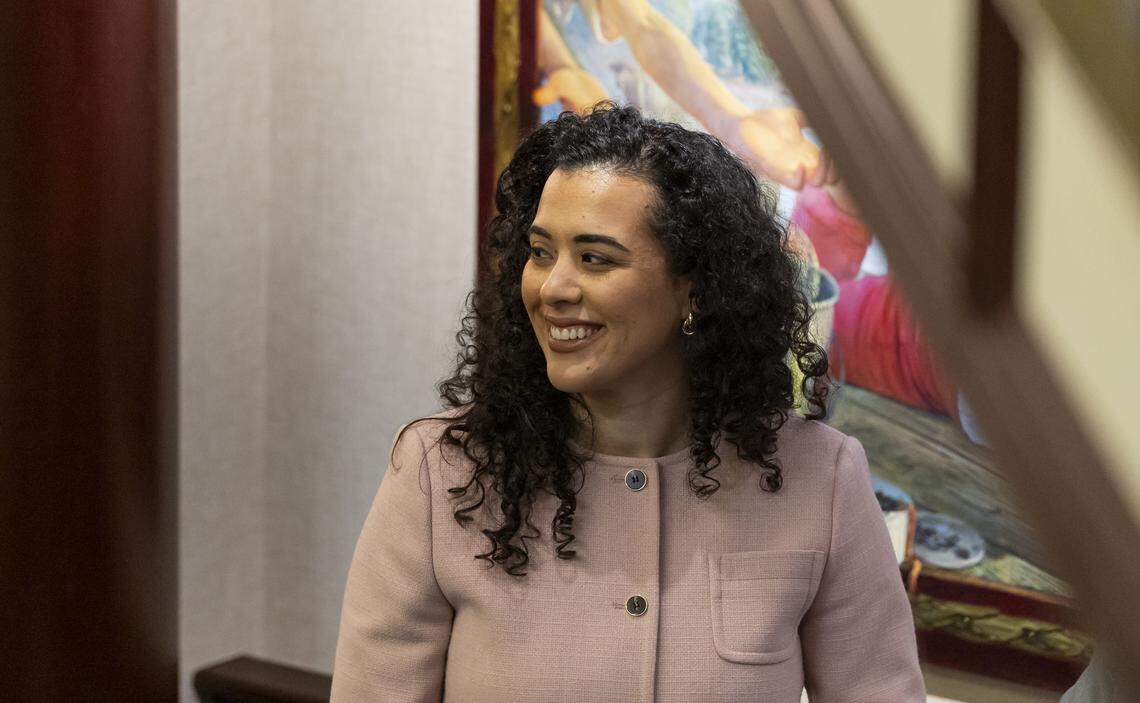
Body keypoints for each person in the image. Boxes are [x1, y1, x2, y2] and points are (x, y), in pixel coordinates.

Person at [330, 103, 925, 702]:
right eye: (540, 253)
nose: (554, 287)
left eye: (595, 258)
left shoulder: (820, 478)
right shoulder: (442, 473)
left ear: (694, 289)